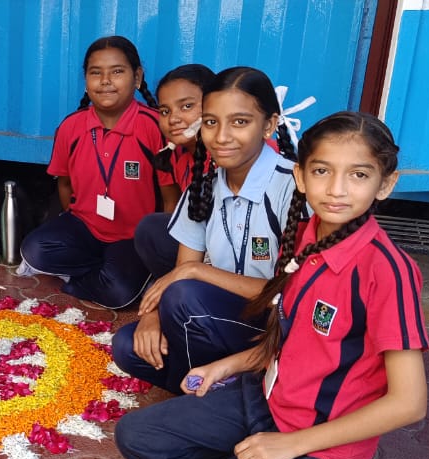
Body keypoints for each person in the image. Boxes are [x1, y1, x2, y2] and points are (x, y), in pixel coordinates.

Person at [115, 111, 429, 459]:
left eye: (358, 175)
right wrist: (225, 366)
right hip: (266, 403)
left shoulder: (388, 271)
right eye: (322, 171)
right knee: (135, 435)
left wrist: (290, 446)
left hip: (316, 445)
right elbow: (290, 335)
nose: (337, 189)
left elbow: (409, 403)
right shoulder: (311, 235)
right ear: (300, 177)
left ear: (385, 184)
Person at [112, 67, 299, 394]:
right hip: (223, 313)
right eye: (212, 122)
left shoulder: (292, 186)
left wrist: (196, 273)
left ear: (269, 125)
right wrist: (152, 318)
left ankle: (201, 398)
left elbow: (293, 294)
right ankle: (214, 385)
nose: (222, 136)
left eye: (240, 122)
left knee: (186, 296)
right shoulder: (204, 185)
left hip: (274, 326)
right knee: (131, 345)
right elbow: (185, 266)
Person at [18, 36, 171, 309]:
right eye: (95, 73)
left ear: (137, 77)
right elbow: (64, 185)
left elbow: (170, 197)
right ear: (86, 80)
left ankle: (83, 280)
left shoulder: (154, 127)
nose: (105, 81)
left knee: (119, 295)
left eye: (117, 72)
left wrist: (162, 253)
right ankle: (106, 271)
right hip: (87, 226)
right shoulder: (71, 127)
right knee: (34, 250)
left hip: (133, 237)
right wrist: (74, 224)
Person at [134, 64, 217, 278]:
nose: (173, 119)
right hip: (199, 249)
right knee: (152, 229)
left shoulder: (230, 157)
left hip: (240, 257)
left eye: (187, 106)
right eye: (165, 111)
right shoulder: (180, 159)